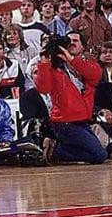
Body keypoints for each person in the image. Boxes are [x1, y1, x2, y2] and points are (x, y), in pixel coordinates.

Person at [35, 31, 107, 165]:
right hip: (65, 123)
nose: (72, 43)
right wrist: (44, 60)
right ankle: (55, 151)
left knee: (99, 151)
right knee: (99, 155)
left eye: (75, 41)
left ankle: (55, 146)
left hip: (83, 121)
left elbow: (96, 75)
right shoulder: (53, 68)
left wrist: (72, 60)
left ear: (83, 46)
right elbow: (43, 88)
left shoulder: (88, 63)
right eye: (69, 41)